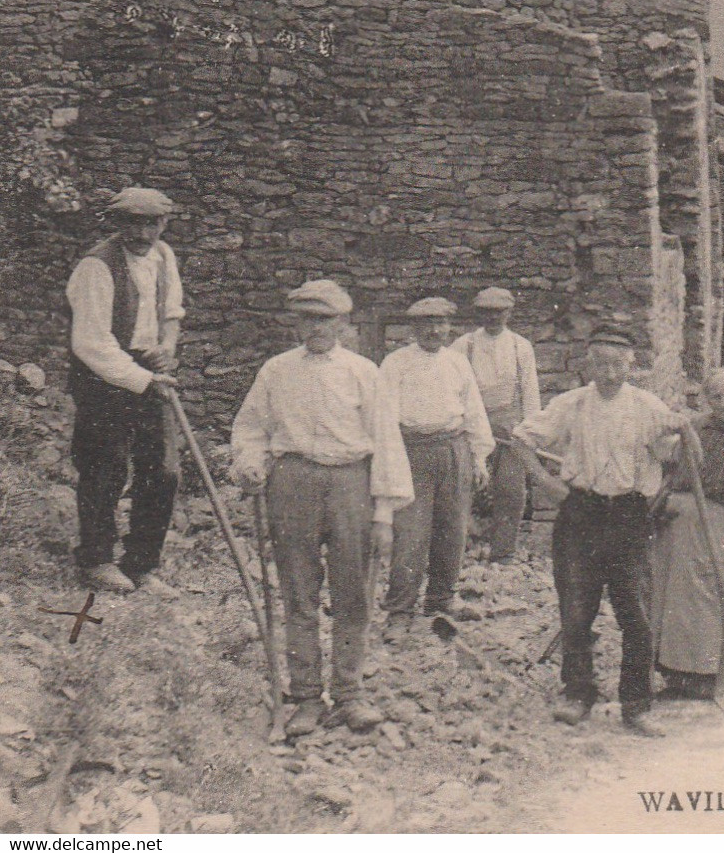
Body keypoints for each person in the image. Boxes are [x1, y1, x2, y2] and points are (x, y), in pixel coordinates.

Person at [230, 280, 414, 736]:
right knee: (298, 591)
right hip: (292, 482)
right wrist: (250, 465)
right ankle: (307, 695)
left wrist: (384, 514)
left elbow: (387, 443)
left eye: (325, 319)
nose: (316, 328)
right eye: (307, 319)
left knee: (354, 590)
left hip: (352, 481)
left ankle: (349, 693)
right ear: (296, 322)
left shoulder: (363, 372)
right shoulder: (275, 371)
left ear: (342, 323)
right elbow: (250, 427)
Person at [514, 326, 694, 738]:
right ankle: (578, 694)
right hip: (581, 512)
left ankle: (636, 704)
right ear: (588, 365)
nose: (610, 373)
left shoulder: (648, 406)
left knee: (637, 614)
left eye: (619, 364)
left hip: (629, 516)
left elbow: (676, 454)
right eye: (602, 364)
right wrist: (547, 483)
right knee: (577, 609)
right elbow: (522, 439)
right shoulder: (571, 404)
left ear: (632, 366)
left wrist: (679, 434)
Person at [66, 187, 185, 595]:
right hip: (103, 375)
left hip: (150, 369)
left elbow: (172, 313)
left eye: (152, 222)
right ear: (118, 223)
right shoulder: (96, 267)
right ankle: (97, 560)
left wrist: (167, 349)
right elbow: (92, 343)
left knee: (164, 471)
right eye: (133, 221)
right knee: (105, 466)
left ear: (164, 224)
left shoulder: (165, 257)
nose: (143, 231)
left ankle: (142, 565)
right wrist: (142, 379)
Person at [380, 298, 494, 642]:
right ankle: (399, 611)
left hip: (453, 448)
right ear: (413, 329)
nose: (433, 331)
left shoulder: (458, 363)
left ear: (449, 327)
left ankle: (442, 597)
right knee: (410, 535)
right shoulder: (395, 364)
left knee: (453, 529)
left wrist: (479, 457)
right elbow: (384, 418)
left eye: (441, 323)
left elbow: (473, 411)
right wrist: (390, 463)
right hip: (411, 452)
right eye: (426, 324)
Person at [650, 367, 724, 700]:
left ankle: (714, 672)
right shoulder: (695, 427)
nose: (723, 404)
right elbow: (668, 462)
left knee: (717, 590)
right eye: (716, 396)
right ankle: (677, 672)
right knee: (678, 594)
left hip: (723, 519)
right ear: (707, 398)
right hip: (685, 519)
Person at [451, 287, 544, 563]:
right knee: (463, 485)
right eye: (487, 312)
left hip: (510, 428)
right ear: (479, 314)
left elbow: (530, 392)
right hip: (472, 423)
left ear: (509, 313)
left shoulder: (520, 346)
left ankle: (503, 552)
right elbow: (454, 390)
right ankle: (462, 549)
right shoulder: (463, 345)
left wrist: (529, 433)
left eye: (499, 312)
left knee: (511, 488)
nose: (493, 318)